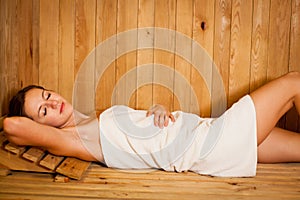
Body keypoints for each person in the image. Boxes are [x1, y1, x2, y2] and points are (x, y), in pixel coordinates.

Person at [3, 71, 300, 177]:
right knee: (294, 82)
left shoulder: (94, 117)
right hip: (211, 144)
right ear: (44, 129)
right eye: (43, 111)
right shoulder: (74, 139)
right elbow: (13, 127)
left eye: (47, 95)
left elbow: (144, 138)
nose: (53, 103)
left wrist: (157, 110)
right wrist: (38, 131)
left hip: (206, 132)